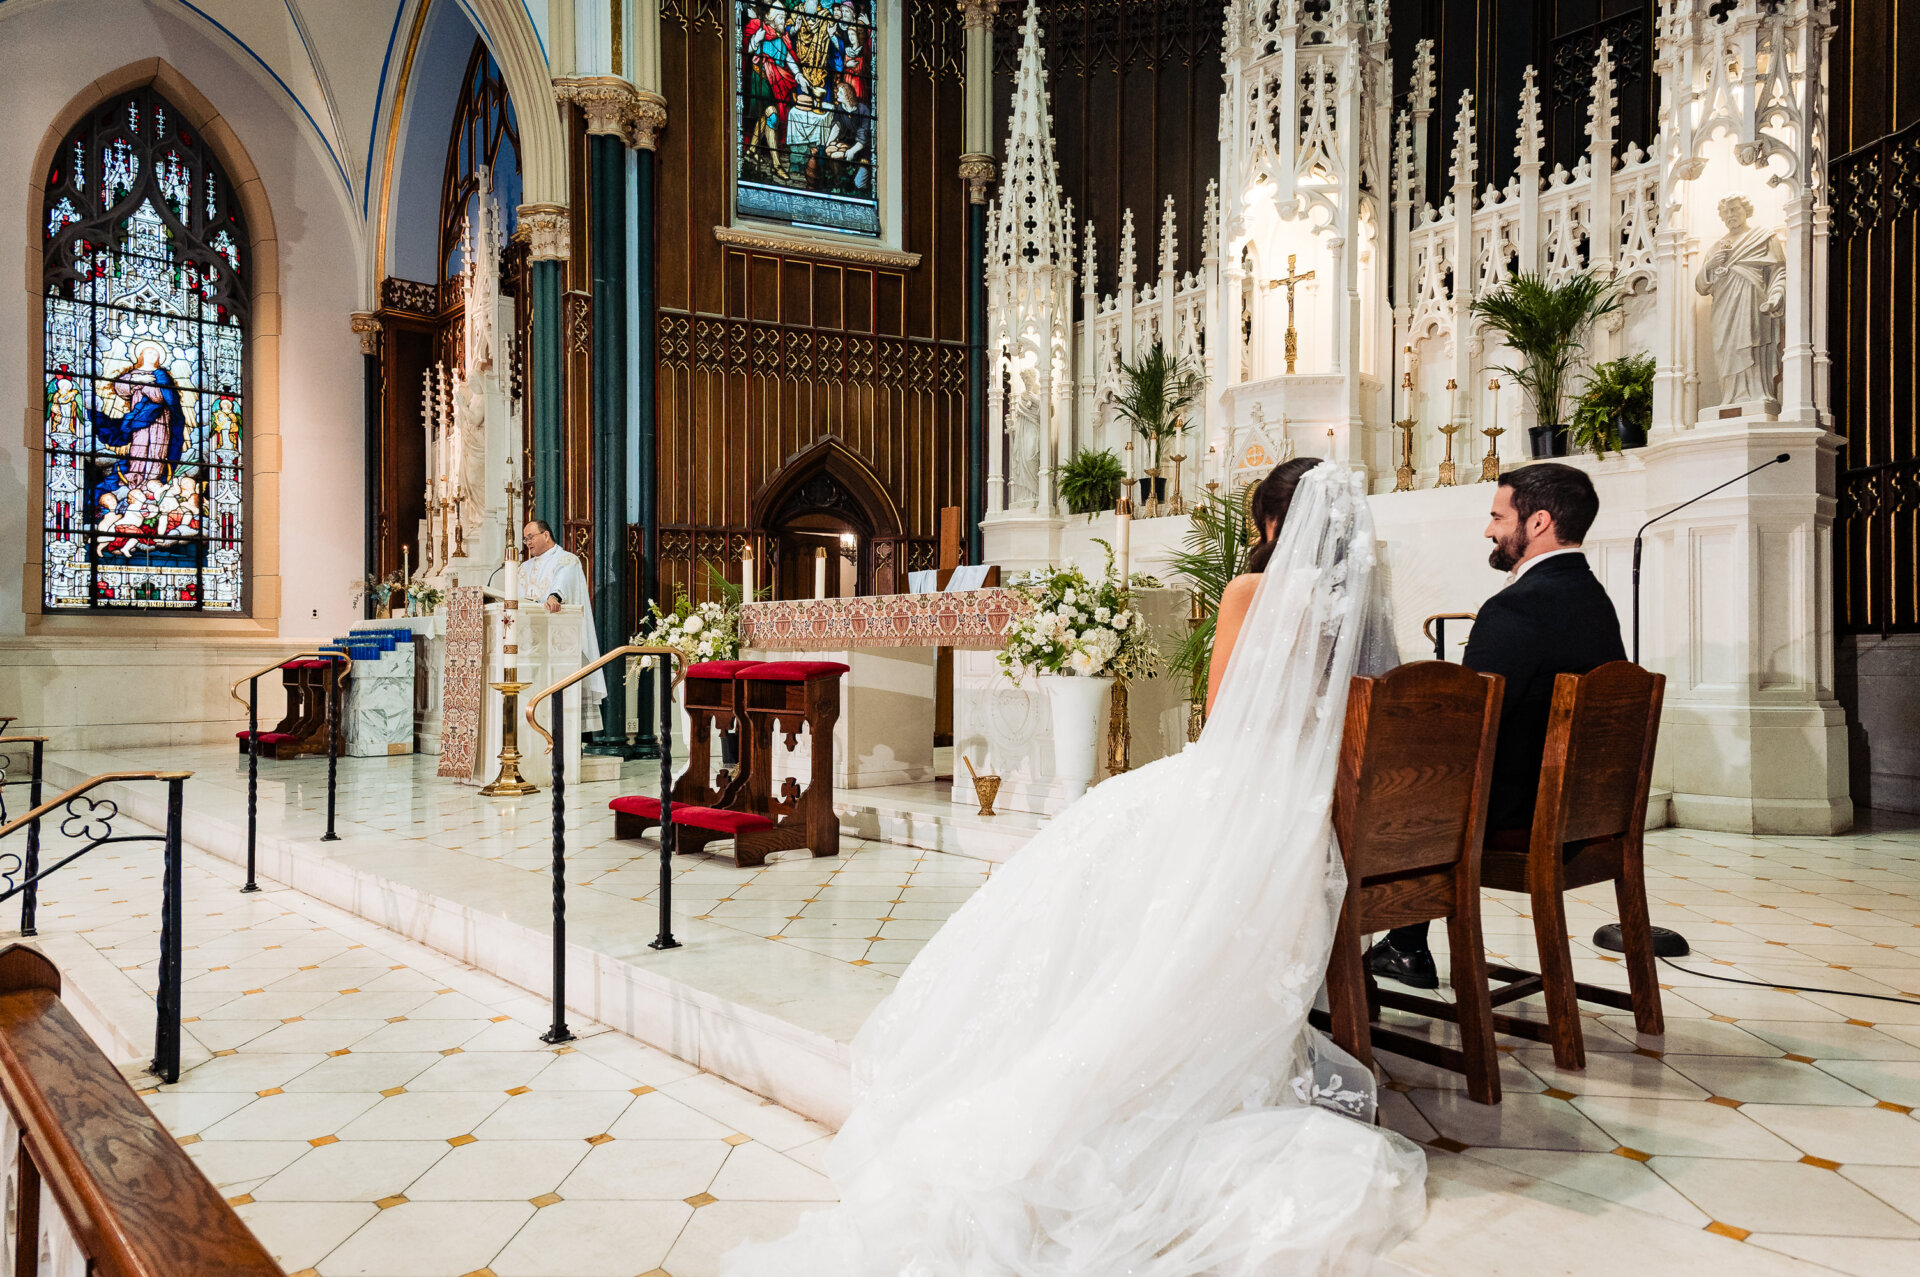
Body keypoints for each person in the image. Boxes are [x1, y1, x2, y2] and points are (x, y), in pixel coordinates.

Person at [724, 462, 1424, 1277]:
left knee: (1095, 833)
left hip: (1248, 792)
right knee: (1113, 837)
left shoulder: (1250, 592)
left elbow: (1228, 716)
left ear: (1273, 526)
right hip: (1315, 815)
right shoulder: (1369, 606)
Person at [1366, 462, 1627, 990]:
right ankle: (1405, 943)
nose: (1488, 530)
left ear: (1537, 523)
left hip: (1522, 813)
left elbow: (1466, 729)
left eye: (1497, 517)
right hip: (1586, 811)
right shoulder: (1595, 599)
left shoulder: (1515, 607)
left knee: (1392, 796)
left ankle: (1393, 951)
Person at [518, 520, 607, 733]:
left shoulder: (566, 559)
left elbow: (563, 581)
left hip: (559, 641)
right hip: (527, 642)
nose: (527, 542)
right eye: (525, 539)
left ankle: (563, 738)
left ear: (546, 535)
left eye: (531, 537)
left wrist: (554, 595)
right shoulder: (523, 567)